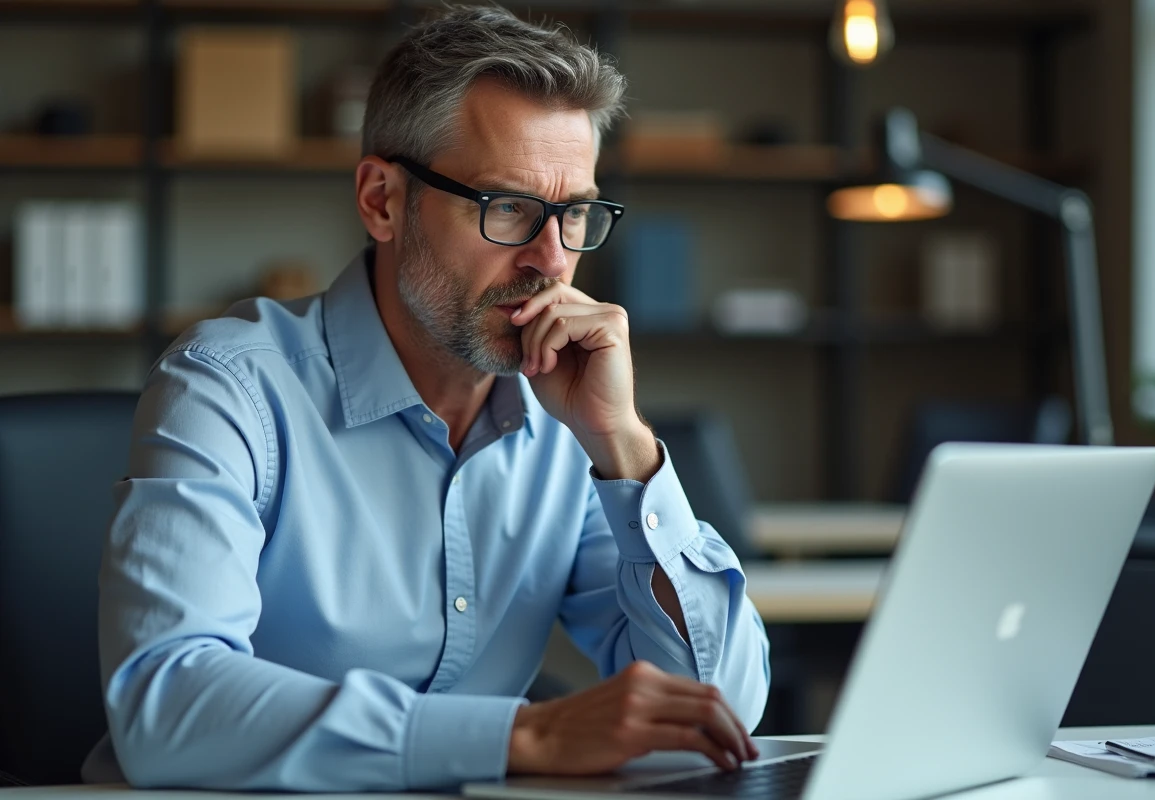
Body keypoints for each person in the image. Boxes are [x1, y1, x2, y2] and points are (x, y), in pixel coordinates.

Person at [82, 5, 770, 791]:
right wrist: (526, 733)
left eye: (574, 212)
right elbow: (166, 707)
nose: (551, 260)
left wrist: (624, 447)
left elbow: (718, 705)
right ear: (381, 200)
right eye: (508, 206)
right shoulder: (227, 388)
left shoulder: (565, 425)